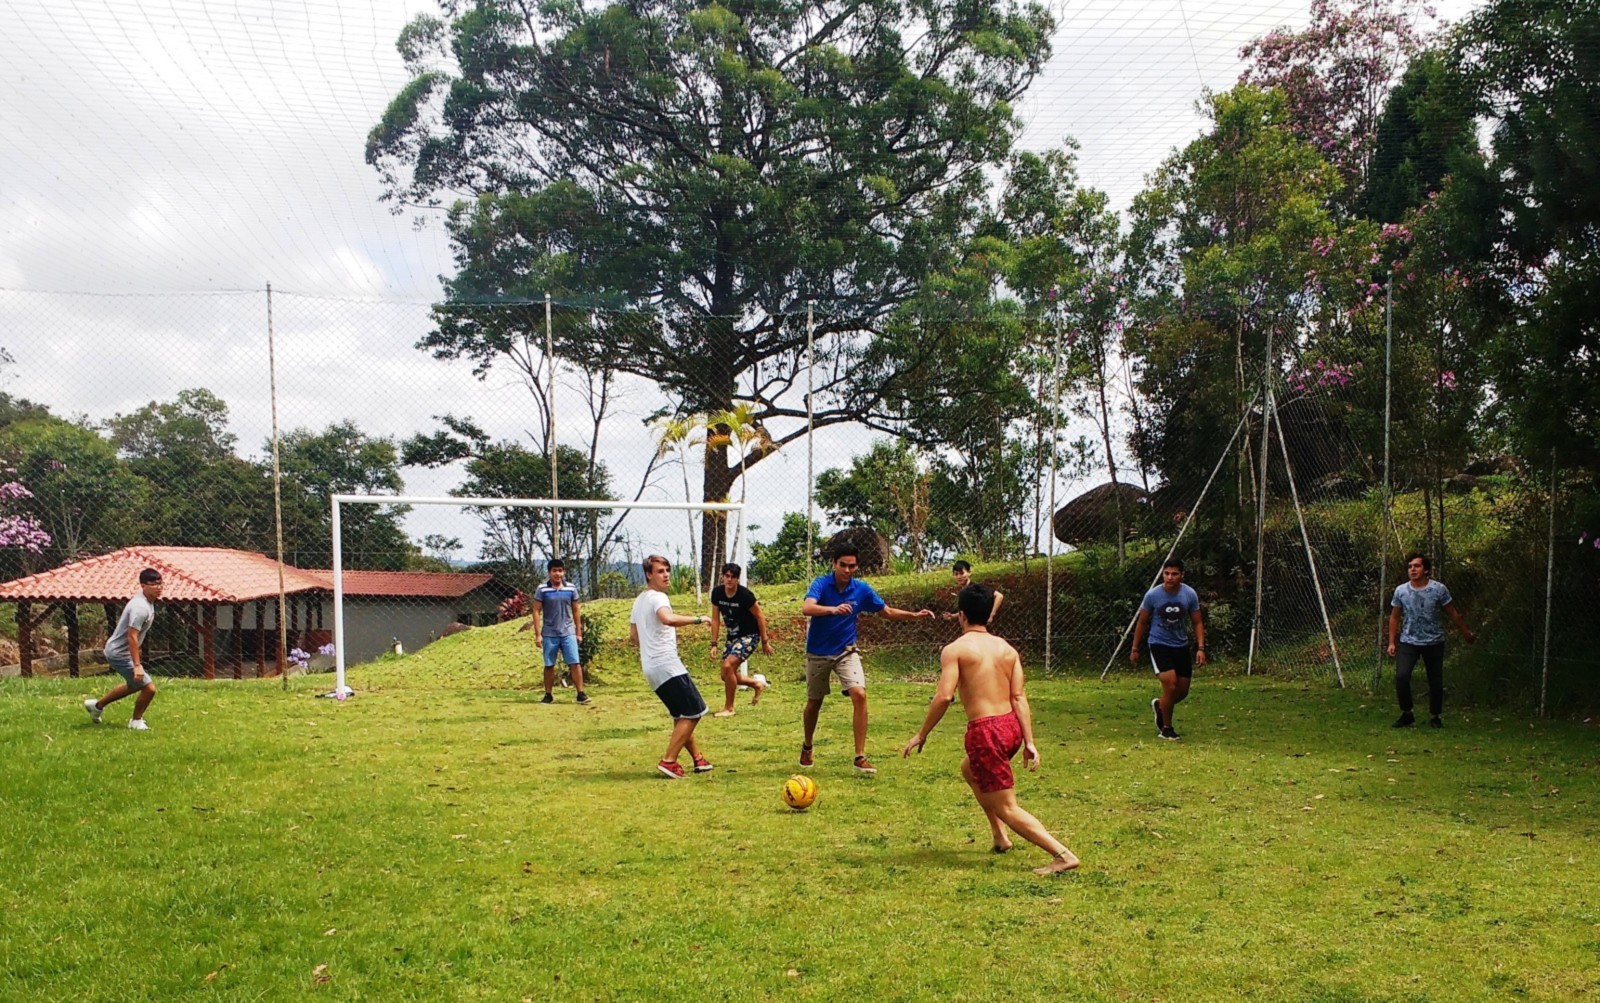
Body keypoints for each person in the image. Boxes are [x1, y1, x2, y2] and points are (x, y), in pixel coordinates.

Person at [901, 584, 1079, 875]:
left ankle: (1062, 855)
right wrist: (1029, 741)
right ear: (988, 614)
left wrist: (922, 733)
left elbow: (944, 696)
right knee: (970, 770)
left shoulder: (955, 650)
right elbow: (1018, 696)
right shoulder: (1007, 649)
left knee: (1008, 806)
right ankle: (1000, 837)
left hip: (986, 731)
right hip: (1010, 727)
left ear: (962, 615)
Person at [800, 546, 935, 774]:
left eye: (852, 566)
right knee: (815, 702)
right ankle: (807, 745)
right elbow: (807, 607)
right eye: (843, 565)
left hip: (846, 651)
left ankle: (860, 756)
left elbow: (886, 612)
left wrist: (914, 615)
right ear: (834, 563)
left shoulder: (861, 589)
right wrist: (833, 610)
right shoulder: (821, 583)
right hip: (818, 652)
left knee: (859, 694)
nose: (847, 570)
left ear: (857, 566)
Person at [629, 554, 715, 779]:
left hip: (651, 668)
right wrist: (699, 619)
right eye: (660, 571)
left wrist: (651, 647)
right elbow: (667, 618)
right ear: (648, 574)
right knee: (694, 712)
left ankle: (698, 758)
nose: (666, 575)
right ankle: (669, 761)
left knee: (681, 714)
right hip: (667, 665)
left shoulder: (639, 601)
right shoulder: (658, 598)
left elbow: (634, 636)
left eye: (667, 570)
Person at [1387, 551, 1476, 728]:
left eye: (1417, 566)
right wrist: (1391, 642)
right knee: (1402, 676)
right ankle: (1407, 713)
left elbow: (1453, 613)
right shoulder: (1401, 591)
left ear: (1426, 570)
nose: (1412, 570)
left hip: (1434, 641)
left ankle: (1435, 716)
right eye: (1410, 566)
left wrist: (1466, 633)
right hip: (1409, 641)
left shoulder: (1438, 590)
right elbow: (1394, 616)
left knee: (1435, 680)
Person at [1130, 558, 1206, 741]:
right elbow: (1142, 622)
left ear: (1182, 575)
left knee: (1182, 691)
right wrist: (1135, 648)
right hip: (1159, 644)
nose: (1170, 577)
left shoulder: (1189, 594)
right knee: (1171, 685)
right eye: (1166, 573)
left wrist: (1201, 648)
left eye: (1174, 574)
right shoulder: (1153, 595)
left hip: (1181, 645)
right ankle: (1166, 728)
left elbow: (1197, 622)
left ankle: (1160, 706)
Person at [84, 568, 163, 731]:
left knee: (134, 685)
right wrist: (137, 665)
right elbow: (132, 636)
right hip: (119, 654)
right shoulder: (140, 607)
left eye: (161, 584)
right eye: (154, 584)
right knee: (149, 689)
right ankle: (136, 721)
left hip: (119, 651)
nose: (159, 587)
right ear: (143, 585)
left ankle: (96, 706)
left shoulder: (147, 602)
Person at [706, 562, 771, 716]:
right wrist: (714, 643)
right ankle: (756, 684)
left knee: (728, 666)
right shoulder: (717, 593)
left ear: (738, 579)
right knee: (726, 675)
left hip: (750, 635)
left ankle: (729, 708)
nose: (729, 580)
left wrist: (765, 641)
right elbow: (715, 619)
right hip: (732, 637)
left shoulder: (745, 596)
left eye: (733, 577)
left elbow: (760, 616)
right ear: (723, 577)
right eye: (727, 576)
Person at [524, 558, 587, 705]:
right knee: (549, 665)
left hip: (568, 632)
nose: (557, 574)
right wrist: (538, 635)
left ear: (563, 572)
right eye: (554, 571)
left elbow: (576, 609)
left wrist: (578, 632)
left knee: (574, 662)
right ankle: (548, 694)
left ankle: (581, 693)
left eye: (560, 571)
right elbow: (536, 610)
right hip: (549, 633)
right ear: (549, 572)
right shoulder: (542, 589)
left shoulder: (571, 588)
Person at [941, 560, 1004, 625]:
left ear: (969, 573)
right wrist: (953, 616)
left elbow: (999, 596)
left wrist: (992, 615)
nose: (959, 577)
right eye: (956, 574)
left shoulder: (976, 588)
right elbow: (967, 611)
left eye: (962, 573)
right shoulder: (963, 591)